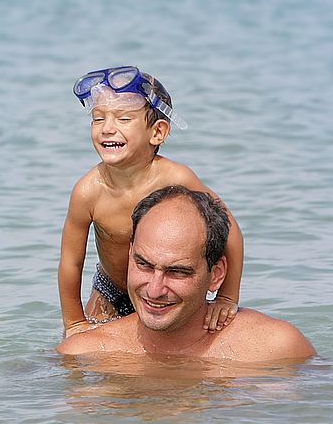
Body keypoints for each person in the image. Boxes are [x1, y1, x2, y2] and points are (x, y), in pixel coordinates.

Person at [59, 66, 244, 338]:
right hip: (110, 290)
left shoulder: (176, 178)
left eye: (123, 119)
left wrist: (226, 297)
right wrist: (74, 324)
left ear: (157, 132)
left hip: (168, 287)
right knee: (93, 360)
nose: (107, 129)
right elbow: (70, 263)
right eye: (98, 119)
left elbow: (230, 233)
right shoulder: (88, 191)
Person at [57, 185, 316, 361]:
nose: (155, 290)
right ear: (130, 255)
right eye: (144, 265)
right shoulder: (85, 355)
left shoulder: (276, 349)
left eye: (177, 272)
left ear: (216, 275)